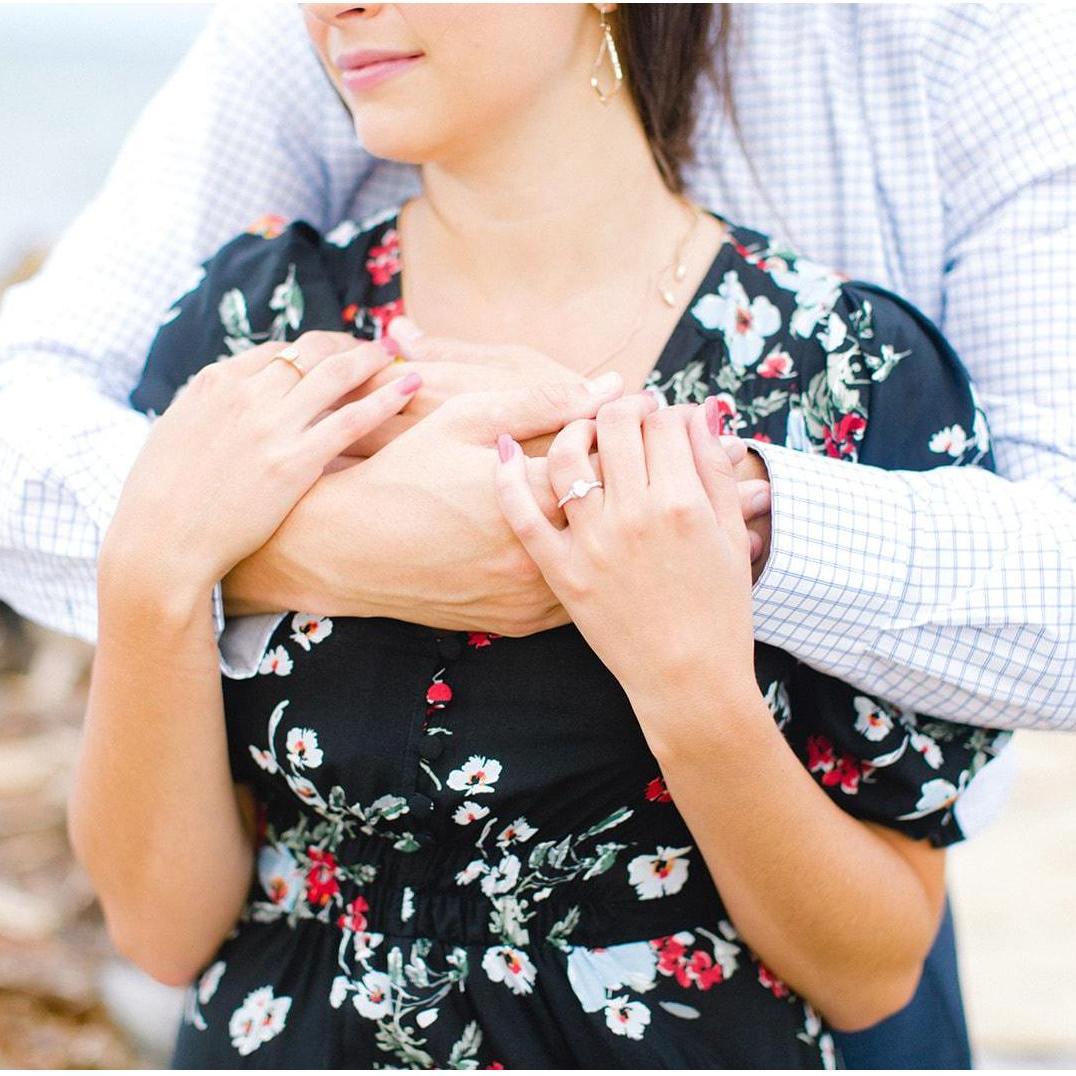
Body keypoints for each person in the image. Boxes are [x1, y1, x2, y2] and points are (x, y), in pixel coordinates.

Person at [1, 0, 1073, 1067]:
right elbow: (157, 928)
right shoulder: (257, 333)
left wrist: (687, 673)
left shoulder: (843, 369)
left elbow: (872, 967)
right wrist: (165, 558)